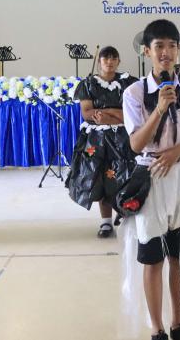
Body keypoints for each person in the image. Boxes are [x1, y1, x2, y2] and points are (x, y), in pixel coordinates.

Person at [121, 19, 180, 340]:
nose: (166, 52)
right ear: (146, 51)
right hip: (151, 177)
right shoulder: (134, 93)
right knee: (153, 258)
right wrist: (159, 109)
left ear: (178, 50)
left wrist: (177, 152)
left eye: (171, 46)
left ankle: (178, 324)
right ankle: (156, 328)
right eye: (158, 46)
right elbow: (136, 144)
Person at [66, 46, 137, 237]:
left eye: (114, 58)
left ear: (119, 61)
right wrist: (116, 113)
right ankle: (106, 222)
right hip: (96, 140)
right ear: (99, 62)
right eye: (106, 58)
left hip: (124, 138)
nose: (110, 62)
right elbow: (87, 113)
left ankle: (125, 213)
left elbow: (132, 113)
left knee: (126, 176)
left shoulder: (129, 83)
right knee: (101, 178)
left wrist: (106, 114)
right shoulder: (88, 84)